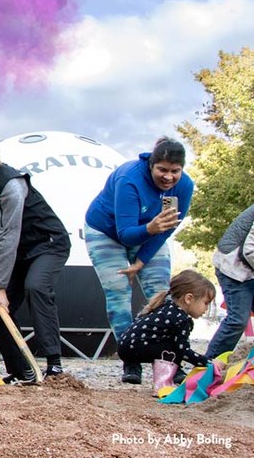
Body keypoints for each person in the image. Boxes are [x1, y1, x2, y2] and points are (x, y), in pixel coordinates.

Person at [0, 131, 72, 383]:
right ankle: (22, 370)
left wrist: (1, 287)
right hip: (16, 253)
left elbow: (8, 236)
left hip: (45, 244)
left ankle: (54, 365)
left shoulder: (10, 185)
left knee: (36, 286)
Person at [84, 137, 194, 384]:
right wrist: (151, 227)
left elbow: (167, 229)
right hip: (107, 232)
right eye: (162, 170)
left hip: (151, 236)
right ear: (151, 164)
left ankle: (169, 359)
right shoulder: (130, 179)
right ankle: (130, 358)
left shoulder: (185, 186)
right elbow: (126, 233)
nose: (168, 177)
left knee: (162, 294)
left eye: (175, 171)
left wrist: (142, 260)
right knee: (118, 294)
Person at [118, 269, 225, 391]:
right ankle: (164, 383)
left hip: (124, 347)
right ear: (189, 298)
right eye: (206, 303)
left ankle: (169, 373)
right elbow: (183, 351)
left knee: (170, 343)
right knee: (174, 348)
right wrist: (208, 363)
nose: (206, 309)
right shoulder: (181, 319)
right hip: (137, 349)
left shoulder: (165, 307)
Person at [206, 204, 254, 359]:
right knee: (238, 320)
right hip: (234, 268)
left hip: (249, 269)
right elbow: (249, 251)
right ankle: (208, 367)